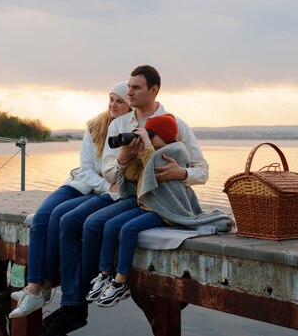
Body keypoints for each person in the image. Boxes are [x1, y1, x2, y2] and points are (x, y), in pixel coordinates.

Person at [43, 65, 210, 336]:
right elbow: (108, 171)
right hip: (125, 195)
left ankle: (80, 300)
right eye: (128, 87)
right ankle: (75, 302)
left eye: (135, 88)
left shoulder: (175, 124)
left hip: (158, 199)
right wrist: (122, 158)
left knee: (94, 224)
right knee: (73, 221)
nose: (128, 92)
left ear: (154, 90)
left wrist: (182, 173)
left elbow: (202, 170)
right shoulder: (120, 124)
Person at [8, 81, 131, 319]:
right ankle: (35, 287)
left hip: (101, 195)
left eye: (120, 101)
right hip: (80, 185)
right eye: (111, 99)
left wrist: (109, 189)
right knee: (41, 218)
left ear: (130, 105)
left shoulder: (130, 131)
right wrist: (108, 185)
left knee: (60, 218)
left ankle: (42, 286)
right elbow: (85, 170)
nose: (113, 105)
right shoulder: (95, 126)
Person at [86, 114, 232, 307]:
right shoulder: (151, 150)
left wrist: (146, 147)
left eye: (152, 135)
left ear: (165, 136)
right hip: (148, 206)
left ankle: (120, 281)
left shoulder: (175, 152)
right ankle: (104, 274)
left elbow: (152, 170)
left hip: (166, 211)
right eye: (148, 134)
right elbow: (132, 176)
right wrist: (129, 154)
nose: (149, 138)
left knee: (128, 230)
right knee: (111, 225)